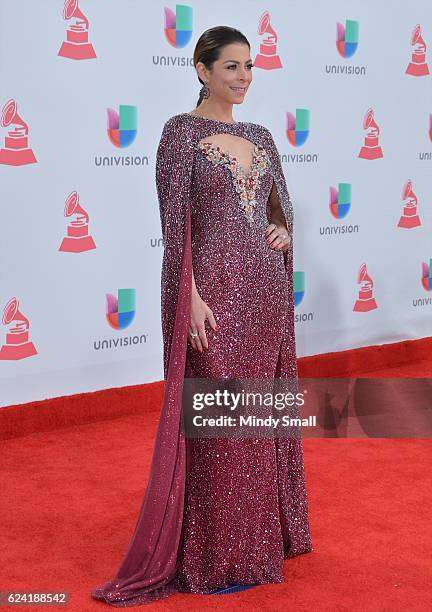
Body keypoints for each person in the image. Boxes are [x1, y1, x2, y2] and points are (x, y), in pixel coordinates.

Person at [91, 26, 312, 607]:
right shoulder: (180, 134)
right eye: (231, 66)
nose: (242, 77)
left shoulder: (262, 135)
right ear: (201, 69)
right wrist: (188, 296)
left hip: (263, 291)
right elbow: (174, 227)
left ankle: (259, 541)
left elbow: (280, 205)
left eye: (248, 66)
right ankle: (218, 551)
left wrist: (284, 231)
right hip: (213, 295)